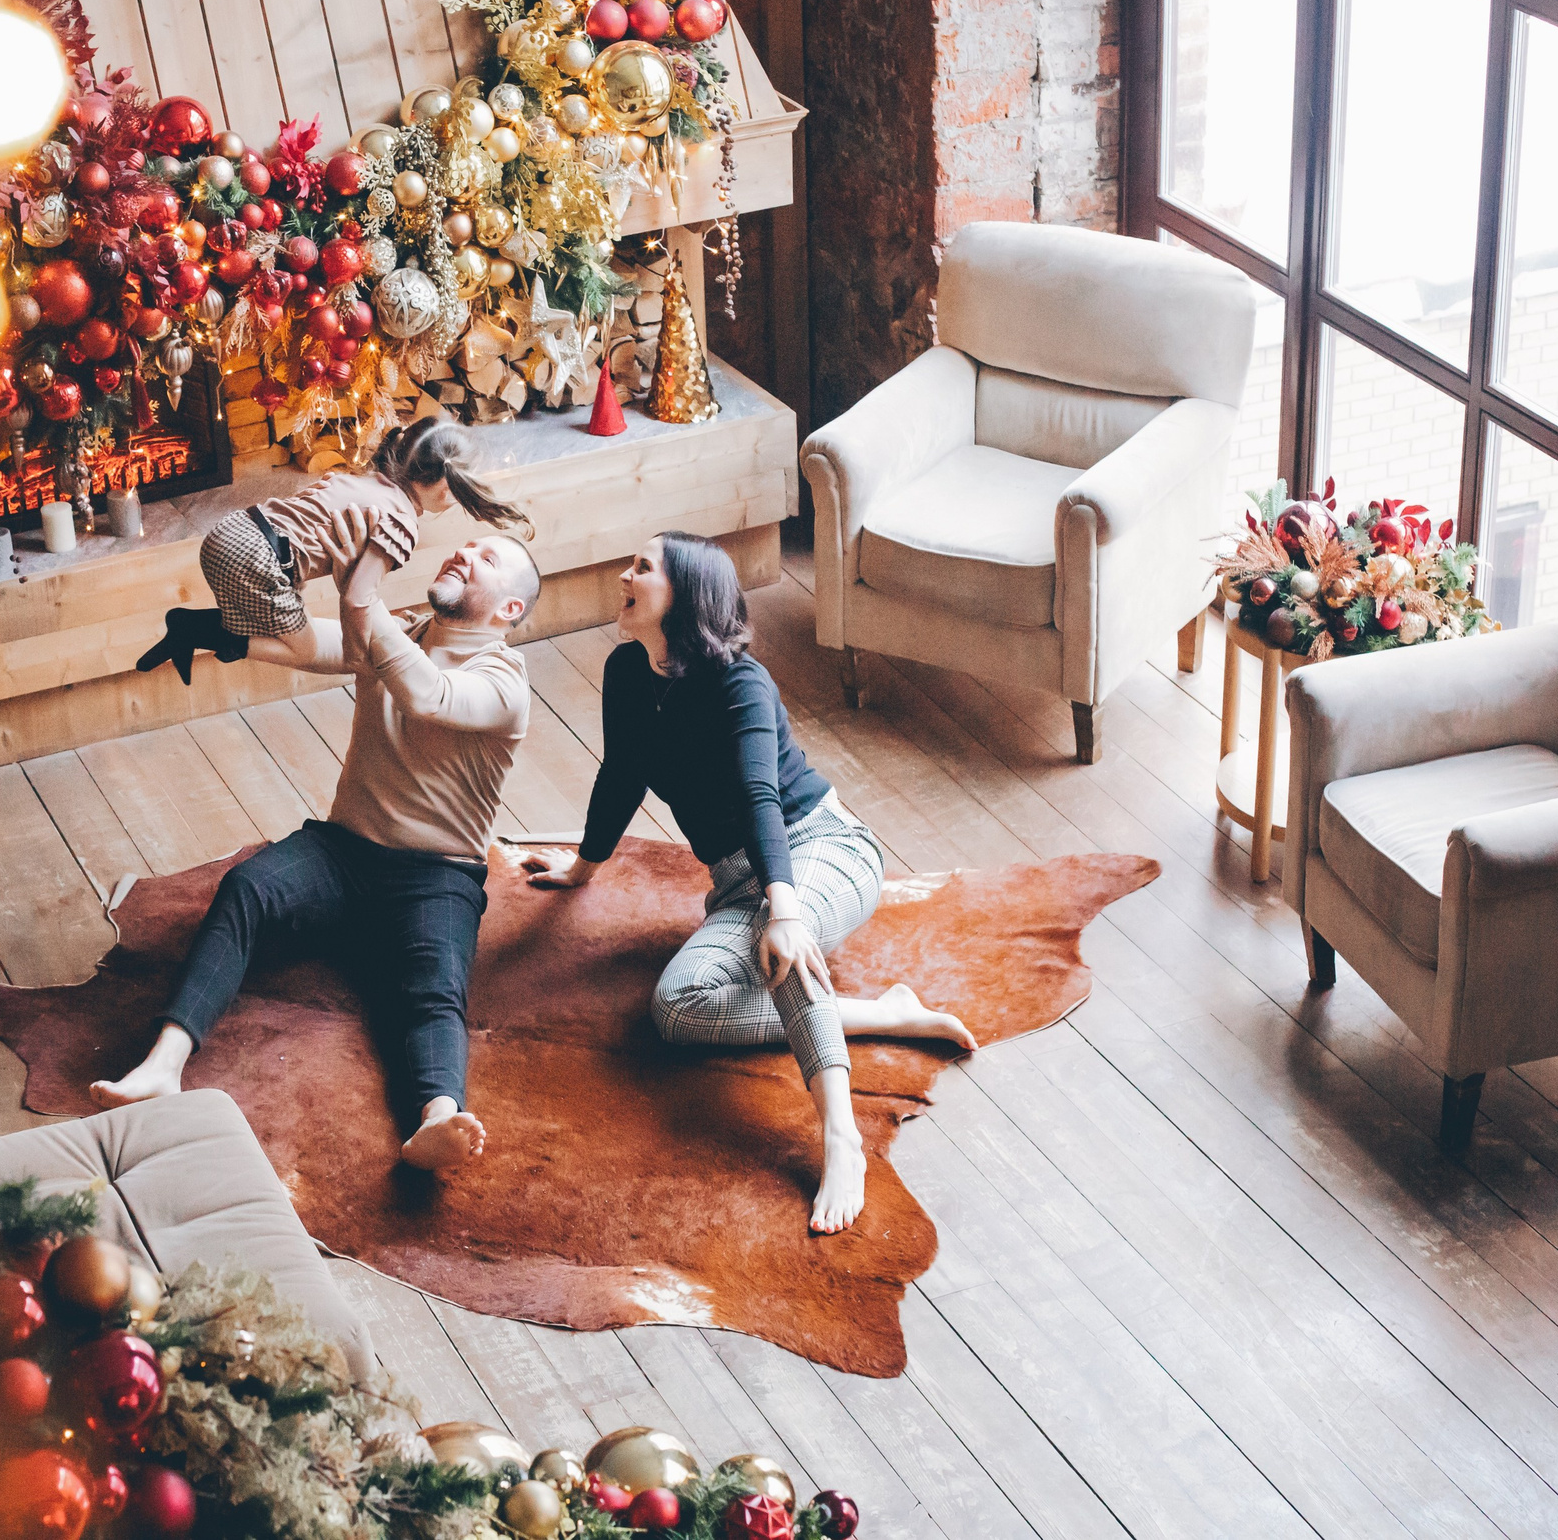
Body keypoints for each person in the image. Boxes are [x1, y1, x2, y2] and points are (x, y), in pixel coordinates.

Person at [522, 532, 977, 1233]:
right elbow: (622, 774)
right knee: (677, 1009)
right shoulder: (626, 670)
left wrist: (784, 911)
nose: (624, 576)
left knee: (780, 944)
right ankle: (886, 1014)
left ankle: (841, 1137)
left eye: (642, 567)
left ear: (686, 592)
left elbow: (759, 795)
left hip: (819, 847)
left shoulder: (742, 684)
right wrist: (583, 865)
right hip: (740, 882)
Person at [94, 529, 542, 1171]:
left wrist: (362, 590)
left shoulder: (504, 682)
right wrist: (211, 630)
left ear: (509, 610)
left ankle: (437, 1119)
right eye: (465, 545)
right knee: (245, 888)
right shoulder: (402, 633)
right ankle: (162, 1066)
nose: (463, 553)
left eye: (486, 558)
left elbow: (427, 695)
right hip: (343, 852)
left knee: (433, 989)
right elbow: (312, 645)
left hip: (437, 874)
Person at [136, 415, 527, 683]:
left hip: (230, 531)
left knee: (262, 626)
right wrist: (356, 657)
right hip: (255, 557)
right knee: (306, 649)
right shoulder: (402, 522)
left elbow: (304, 526)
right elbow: (358, 595)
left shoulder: (365, 481)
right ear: (446, 487)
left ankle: (193, 629)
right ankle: (193, 629)